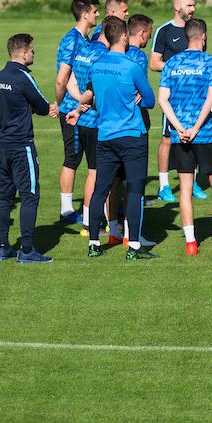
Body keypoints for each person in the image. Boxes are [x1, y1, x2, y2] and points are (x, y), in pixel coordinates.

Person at [158, 18, 212, 257]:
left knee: (184, 189)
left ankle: (191, 243)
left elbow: (163, 99)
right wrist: (195, 128)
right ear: (203, 36)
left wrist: (180, 128)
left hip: (179, 136)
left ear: (186, 36)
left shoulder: (172, 63)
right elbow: (211, 100)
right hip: (204, 135)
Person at [77, 17, 157, 260]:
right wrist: (139, 98)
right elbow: (151, 100)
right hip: (131, 135)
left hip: (105, 135)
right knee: (134, 190)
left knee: (101, 189)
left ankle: (93, 242)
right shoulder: (130, 66)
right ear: (124, 37)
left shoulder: (97, 65)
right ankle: (133, 246)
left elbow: (91, 97)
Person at [0, 33, 59, 262]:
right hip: (21, 145)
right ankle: (27, 250)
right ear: (22, 52)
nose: (33, 53)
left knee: (4, 197)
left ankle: (3, 246)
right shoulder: (22, 77)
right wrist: (49, 108)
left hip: (0, 144)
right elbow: (40, 105)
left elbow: (10, 107)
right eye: (31, 50)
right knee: (30, 195)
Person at [149, 0, 204, 203]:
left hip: (196, 95)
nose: (192, 9)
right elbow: (154, 63)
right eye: (189, 5)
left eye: (193, 5)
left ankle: (193, 182)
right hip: (173, 97)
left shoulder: (197, 29)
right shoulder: (164, 31)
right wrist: (179, 68)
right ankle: (164, 185)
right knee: (167, 139)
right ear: (177, 6)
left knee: (195, 135)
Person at [64, 21, 109, 237]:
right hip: (96, 122)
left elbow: (70, 84)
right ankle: (96, 223)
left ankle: (89, 220)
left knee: (91, 173)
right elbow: (97, 91)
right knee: (99, 174)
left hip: (82, 122)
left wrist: (80, 104)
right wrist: (89, 103)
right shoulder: (103, 57)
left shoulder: (83, 51)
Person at [55, 0, 98, 223]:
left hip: (82, 107)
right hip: (72, 109)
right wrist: (59, 103)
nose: (97, 15)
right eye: (95, 11)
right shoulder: (71, 40)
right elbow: (63, 78)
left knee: (83, 157)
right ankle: (66, 210)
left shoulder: (85, 38)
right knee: (72, 157)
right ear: (85, 14)